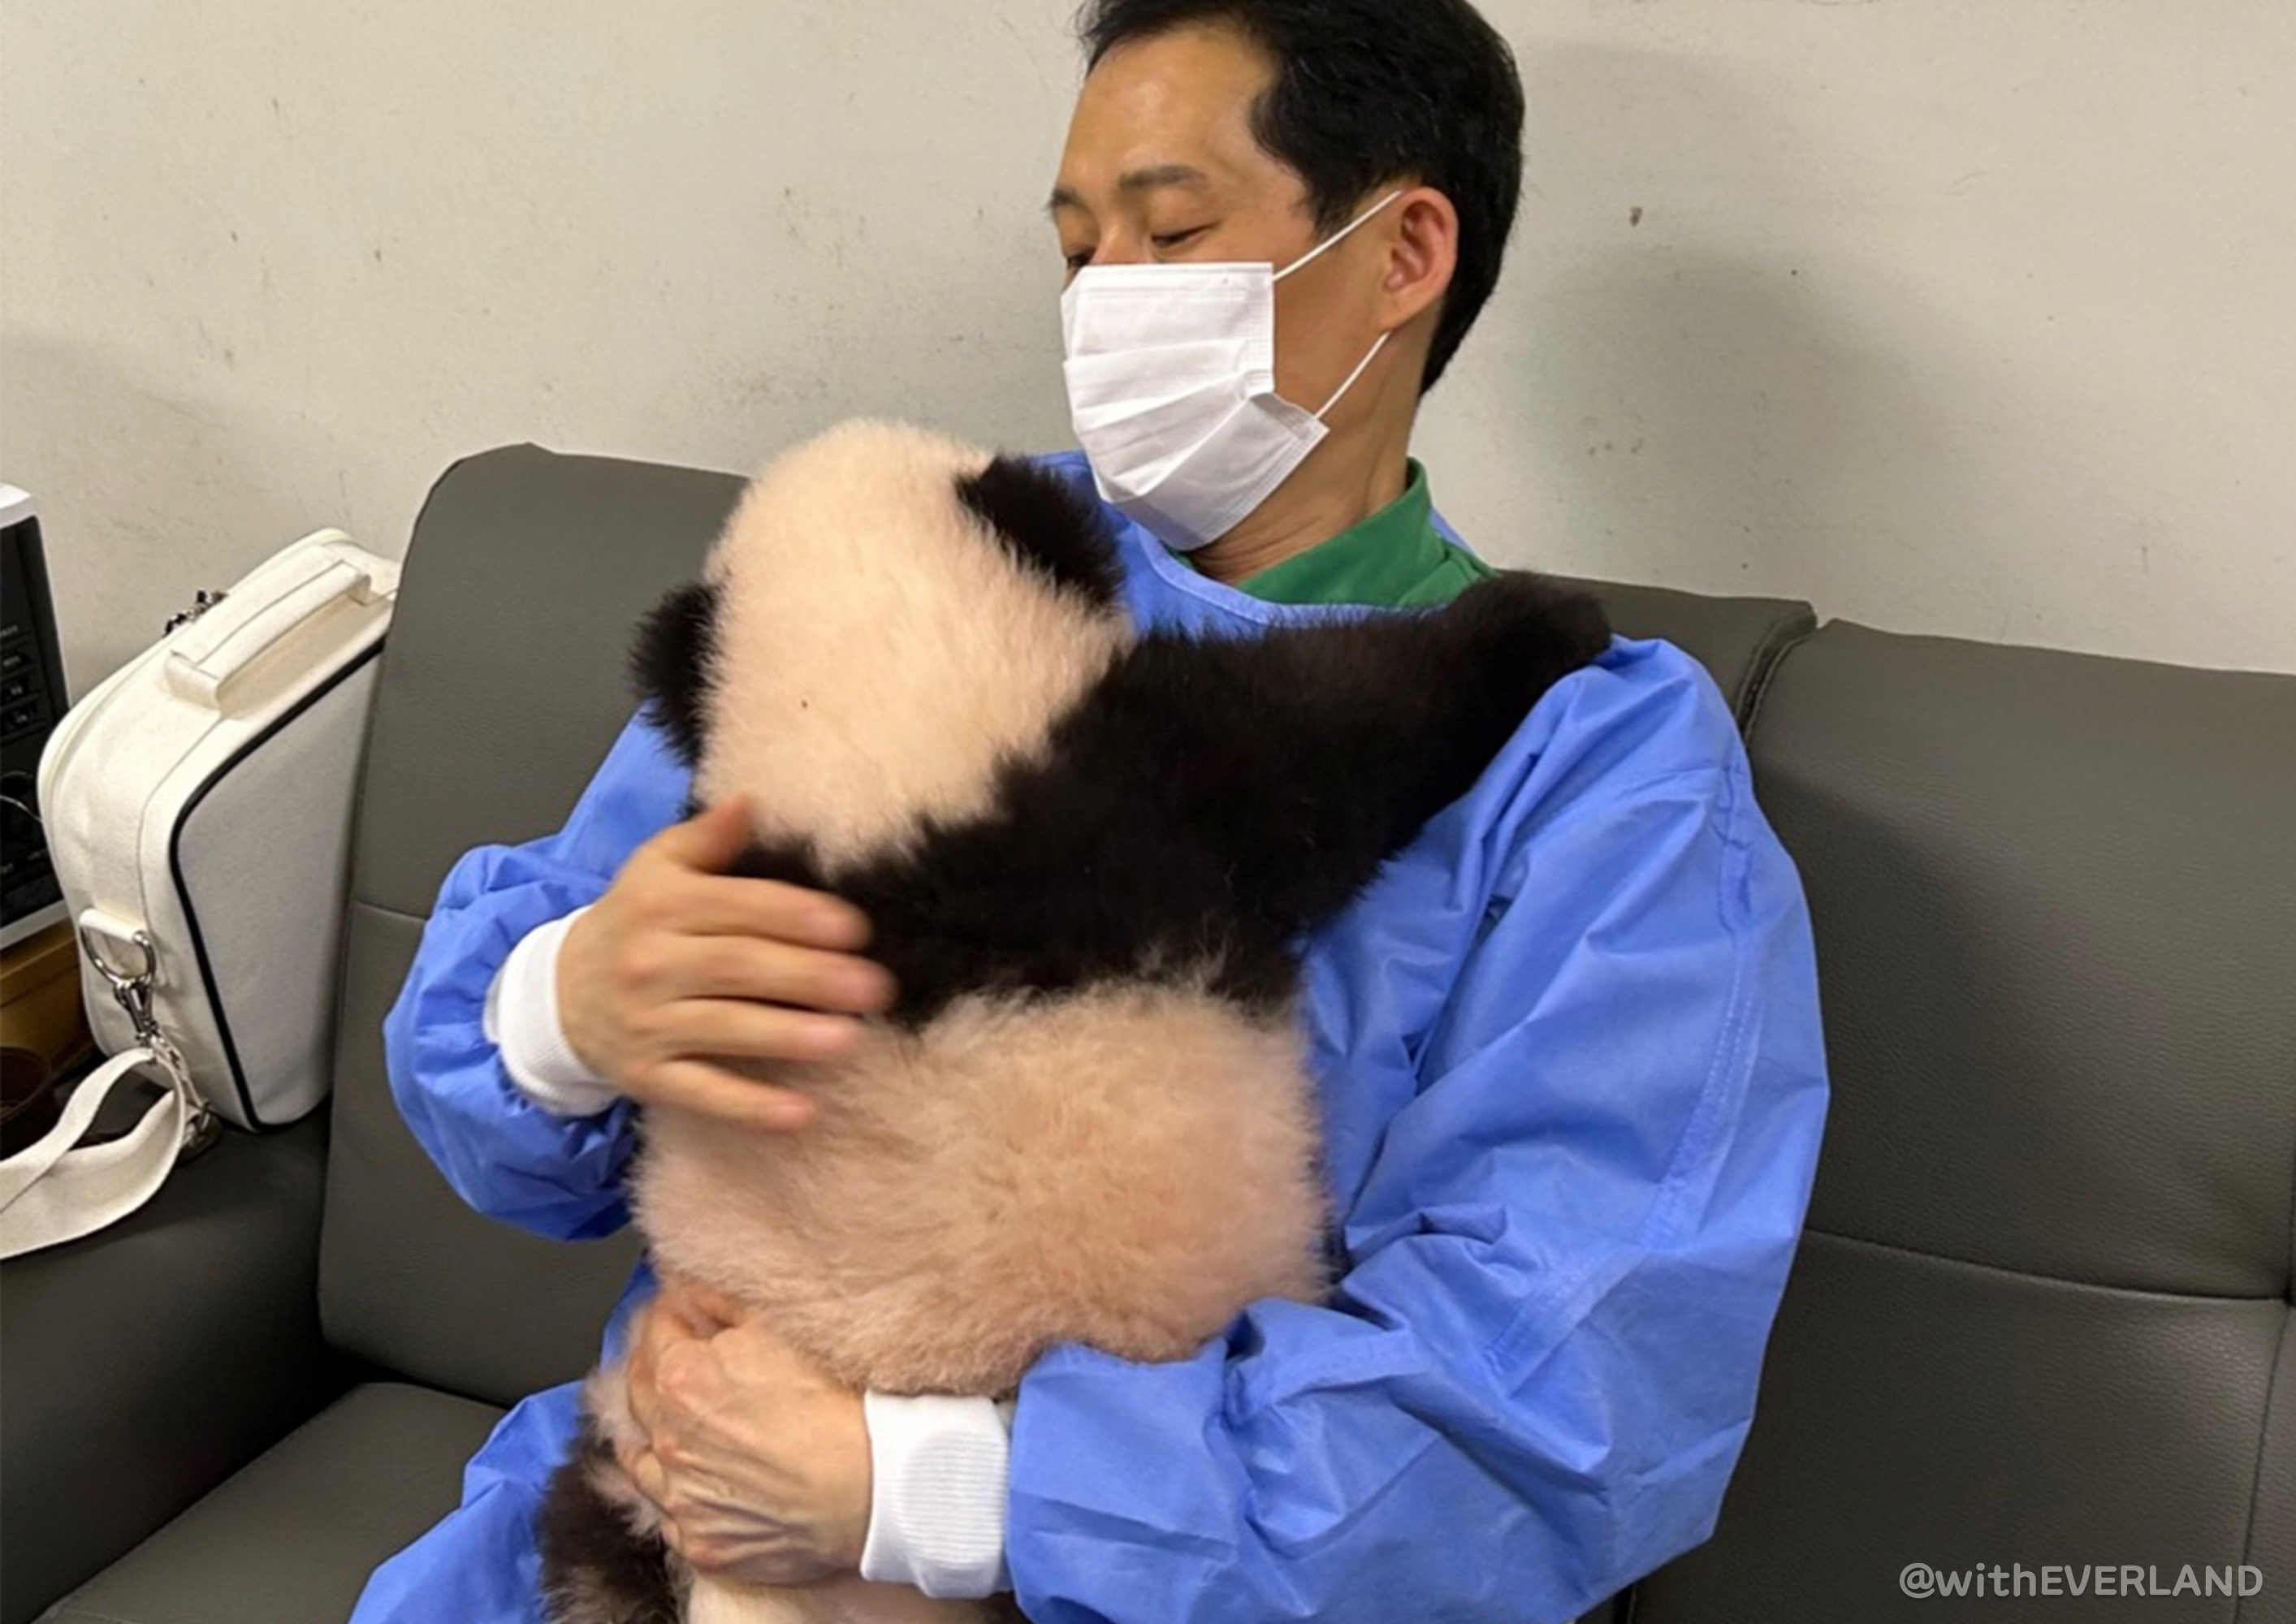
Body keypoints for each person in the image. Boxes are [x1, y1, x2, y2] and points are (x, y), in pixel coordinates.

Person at [351, 2, 1830, 1621]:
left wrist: (920, 1487)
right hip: (658, 1497)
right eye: (1077, 250)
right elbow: (507, 1091)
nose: (1106, 300)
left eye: (1171, 232)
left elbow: (1550, 1396)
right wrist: (569, 1008)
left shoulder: (1597, 776)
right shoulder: (921, 567)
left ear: (1403, 253)